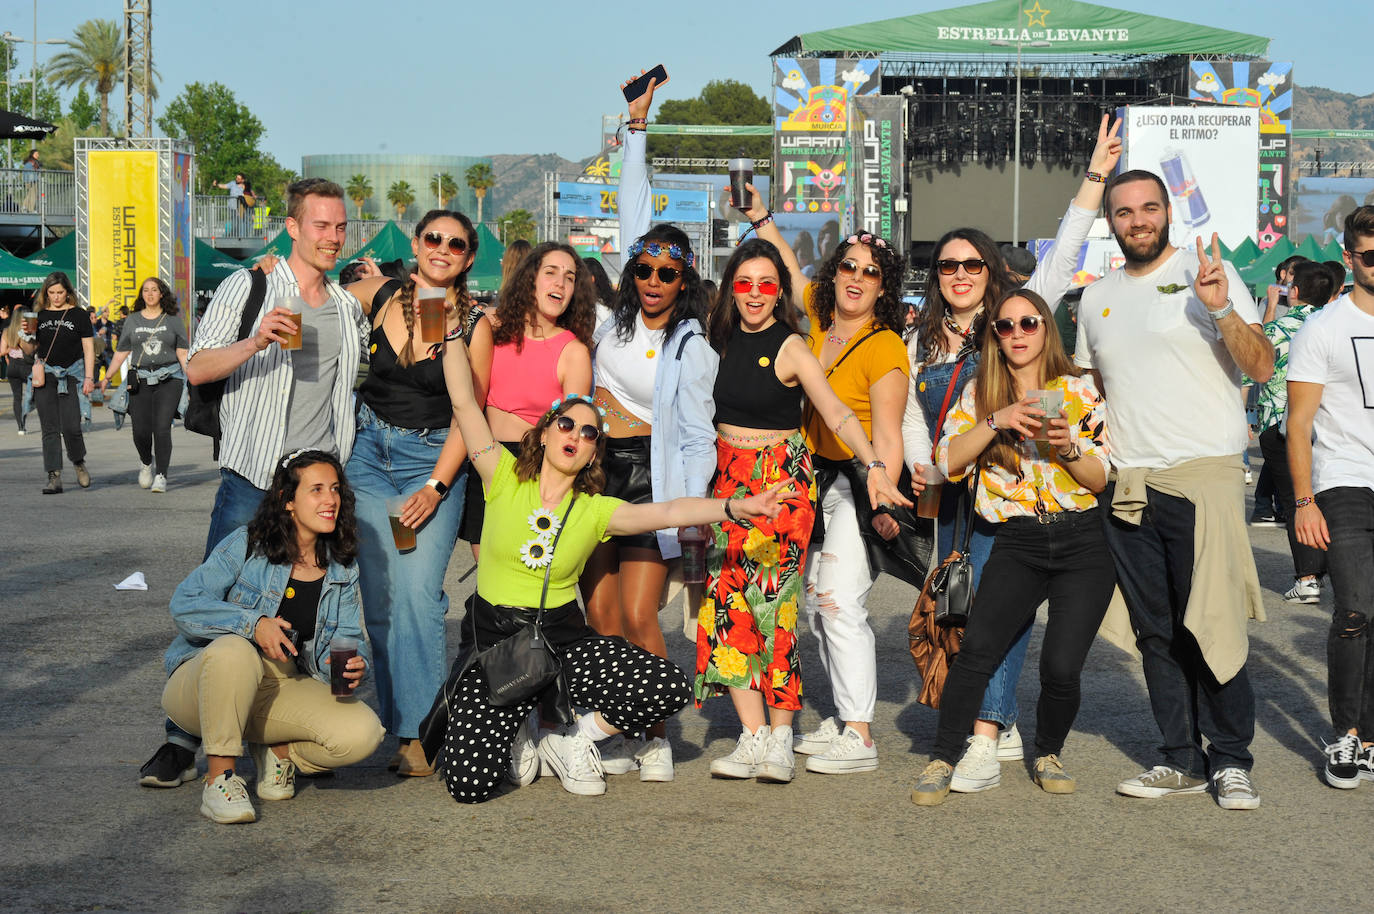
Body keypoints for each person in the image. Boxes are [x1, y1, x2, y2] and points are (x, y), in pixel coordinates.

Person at [430, 342, 787, 803]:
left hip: (558, 646)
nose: (576, 435)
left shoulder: (597, 511)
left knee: (668, 686)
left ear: (593, 454)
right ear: (543, 434)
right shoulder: (500, 473)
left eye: (589, 433)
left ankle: (571, 736)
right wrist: (457, 332)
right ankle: (519, 724)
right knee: (469, 785)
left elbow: (672, 510)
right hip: (495, 647)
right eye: (566, 424)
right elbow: (463, 400)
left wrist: (736, 506)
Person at [900, 115, 1121, 785]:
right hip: (961, 495)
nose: (960, 274)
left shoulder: (1026, 310)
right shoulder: (924, 344)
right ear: (936, 276)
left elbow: (1064, 249)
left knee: (1015, 633)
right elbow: (917, 418)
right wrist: (920, 466)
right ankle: (977, 734)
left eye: (972, 264)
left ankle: (989, 736)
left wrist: (1093, 179)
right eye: (948, 266)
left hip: (1041, 507)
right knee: (970, 619)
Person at [139, 178, 367, 789]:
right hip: (255, 475)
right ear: (292, 227)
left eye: (340, 226)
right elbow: (198, 365)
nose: (332, 237)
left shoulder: (346, 307)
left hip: (317, 481)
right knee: (222, 600)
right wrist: (256, 338)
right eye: (320, 225)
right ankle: (180, 738)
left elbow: (348, 393)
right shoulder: (254, 285)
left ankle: (281, 731)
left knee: (310, 601)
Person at [1075, 169, 1274, 810]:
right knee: (1155, 632)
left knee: (1207, 623)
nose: (1138, 220)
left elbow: (1263, 365)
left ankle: (1232, 757)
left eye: (1149, 208)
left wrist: (1218, 307)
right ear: (1111, 220)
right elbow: (1091, 392)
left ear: (1167, 213)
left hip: (1203, 476)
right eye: (1125, 210)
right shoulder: (1094, 298)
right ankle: (1181, 757)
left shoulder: (1203, 272)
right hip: (1130, 483)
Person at [697, 237, 911, 784]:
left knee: (774, 608)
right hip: (728, 478)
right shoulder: (715, 343)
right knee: (726, 607)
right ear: (730, 289)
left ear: (778, 294)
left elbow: (837, 413)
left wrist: (876, 468)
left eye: (767, 284)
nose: (755, 294)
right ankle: (750, 737)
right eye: (743, 283)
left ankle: (780, 738)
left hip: (779, 481)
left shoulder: (793, 345)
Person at [569, 74, 718, 782]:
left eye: (668, 270)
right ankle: (620, 724)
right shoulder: (608, 321)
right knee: (599, 615)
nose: (655, 277)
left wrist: (691, 519)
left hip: (650, 481)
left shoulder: (692, 343)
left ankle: (656, 732)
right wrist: (637, 127)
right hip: (594, 476)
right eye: (646, 266)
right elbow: (635, 210)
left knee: (639, 615)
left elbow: (696, 436)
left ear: (683, 280)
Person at [911, 288, 1114, 804]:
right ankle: (942, 758)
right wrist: (996, 421)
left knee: (1062, 667)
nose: (1018, 334)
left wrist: (1066, 447)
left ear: (1046, 328)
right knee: (978, 649)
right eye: (1005, 326)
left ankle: (1048, 751)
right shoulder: (981, 392)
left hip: (1081, 540)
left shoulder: (1078, 392)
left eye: (1029, 323)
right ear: (994, 338)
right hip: (1018, 538)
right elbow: (947, 461)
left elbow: (1097, 480)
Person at [160, 450, 384, 824]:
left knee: (365, 732)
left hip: (279, 685)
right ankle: (220, 779)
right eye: (316, 490)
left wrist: (347, 664)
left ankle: (277, 751)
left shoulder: (342, 565)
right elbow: (184, 603)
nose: (330, 499)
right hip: (202, 686)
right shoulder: (248, 543)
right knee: (235, 651)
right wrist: (253, 623)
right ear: (288, 501)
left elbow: (345, 636)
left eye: (334, 489)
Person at [338, 210, 479, 777]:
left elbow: (471, 413)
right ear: (417, 244)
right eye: (433, 239)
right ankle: (402, 727)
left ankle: (423, 729)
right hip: (370, 459)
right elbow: (319, 292)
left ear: (468, 258)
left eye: (456, 244)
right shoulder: (381, 294)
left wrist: (437, 485)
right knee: (382, 598)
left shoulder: (474, 322)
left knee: (419, 594)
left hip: (429, 465)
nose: (442, 249)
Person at [1287, 204, 1374, 789]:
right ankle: (1345, 734)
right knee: (1354, 609)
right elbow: (1298, 424)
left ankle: (1370, 739)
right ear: (1350, 258)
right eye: (1371, 254)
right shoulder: (1323, 327)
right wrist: (1303, 502)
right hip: (1345, 481)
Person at [459, 242, 595, 557]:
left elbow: (574, 434)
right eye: (551, 272)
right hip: (483, 458)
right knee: (489, 575)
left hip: (533, 466)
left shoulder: (573, 352)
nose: (561, 283)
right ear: (530, 279)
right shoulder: (493, 327)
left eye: (570, 277)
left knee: (525, 573)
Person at [1252, 261, 1332, 603]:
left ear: (1293, 291)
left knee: (1295, 500)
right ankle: (1329, 570)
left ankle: (1308, 578)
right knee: (1329, 497)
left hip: (1280, 423)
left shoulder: (1280, 328)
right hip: (1326, 423)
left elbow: (1254, 371)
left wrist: (1269, 309)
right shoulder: (1332, 326)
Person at [101, 278, 191, 493]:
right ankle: (146, 463)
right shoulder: (132, 320)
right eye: (146, 290)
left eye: (154, 290)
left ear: (162, 294)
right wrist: (106, 378)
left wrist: (193, 378)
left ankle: (161, 475)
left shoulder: (173, 321)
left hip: (169, 379)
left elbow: (182, 353)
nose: (150, 294)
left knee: (161, 428)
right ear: (142, 295)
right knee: (140, 431)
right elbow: (122, 352)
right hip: (140, 379)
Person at [17, 272, 95, 494]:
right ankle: (54, 475)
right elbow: (29, 352)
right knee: (49, 427)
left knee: (71, 426)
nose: (56, 297)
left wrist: (89, 378)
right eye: (51, 293)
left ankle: (78, 462)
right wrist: (26, 337)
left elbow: (89, 348)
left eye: (60, 292)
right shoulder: (38, 316)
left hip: (72, 374)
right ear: (46, 293)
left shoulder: (79, 315)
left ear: (68, 292)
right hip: (46, 375)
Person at [4, 310, 33, 435]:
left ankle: (21, 427)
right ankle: (26, 416)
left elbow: (1, 351)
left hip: (12, 366)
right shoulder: (26, 331)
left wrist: (11, 347)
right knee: (36, 393)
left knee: (17, 397)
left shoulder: (7, 331)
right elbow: (30, 351)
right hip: (25, 365)